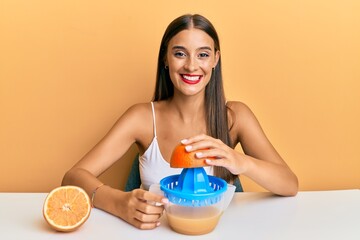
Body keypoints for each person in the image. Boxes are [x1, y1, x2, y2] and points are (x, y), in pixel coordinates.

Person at [62, 14, 298, 230]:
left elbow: (289, 184)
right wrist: (119, 202)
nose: (192, 66)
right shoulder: (142, 118)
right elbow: (73, 177)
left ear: (215, 60)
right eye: (180, 53)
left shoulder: (235, 117)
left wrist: (241, 162)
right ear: (166, 58)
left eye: (203, 54)